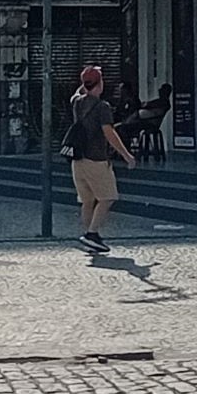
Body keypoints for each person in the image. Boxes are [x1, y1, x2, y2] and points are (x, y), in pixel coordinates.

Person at [62, 65, 135, 253]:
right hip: (96, 159)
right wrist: (126, 155)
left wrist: (85, 82)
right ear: (100, 84)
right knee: (108, 197)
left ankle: (88, 235)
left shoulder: (77, 102)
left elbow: (78, 93)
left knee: (88, 200)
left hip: (77, 160)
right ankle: (92, 234)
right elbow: (109, 133)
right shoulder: (102, 107)